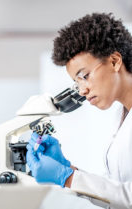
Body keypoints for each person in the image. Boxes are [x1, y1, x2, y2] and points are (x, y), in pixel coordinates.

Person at [26, 13, 132, 209]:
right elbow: (115, 190)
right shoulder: (121, 115)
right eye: (76, 83)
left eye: (84, 76)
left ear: (115, 61)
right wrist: (68, 170)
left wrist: (69, 178)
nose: (82, 90)